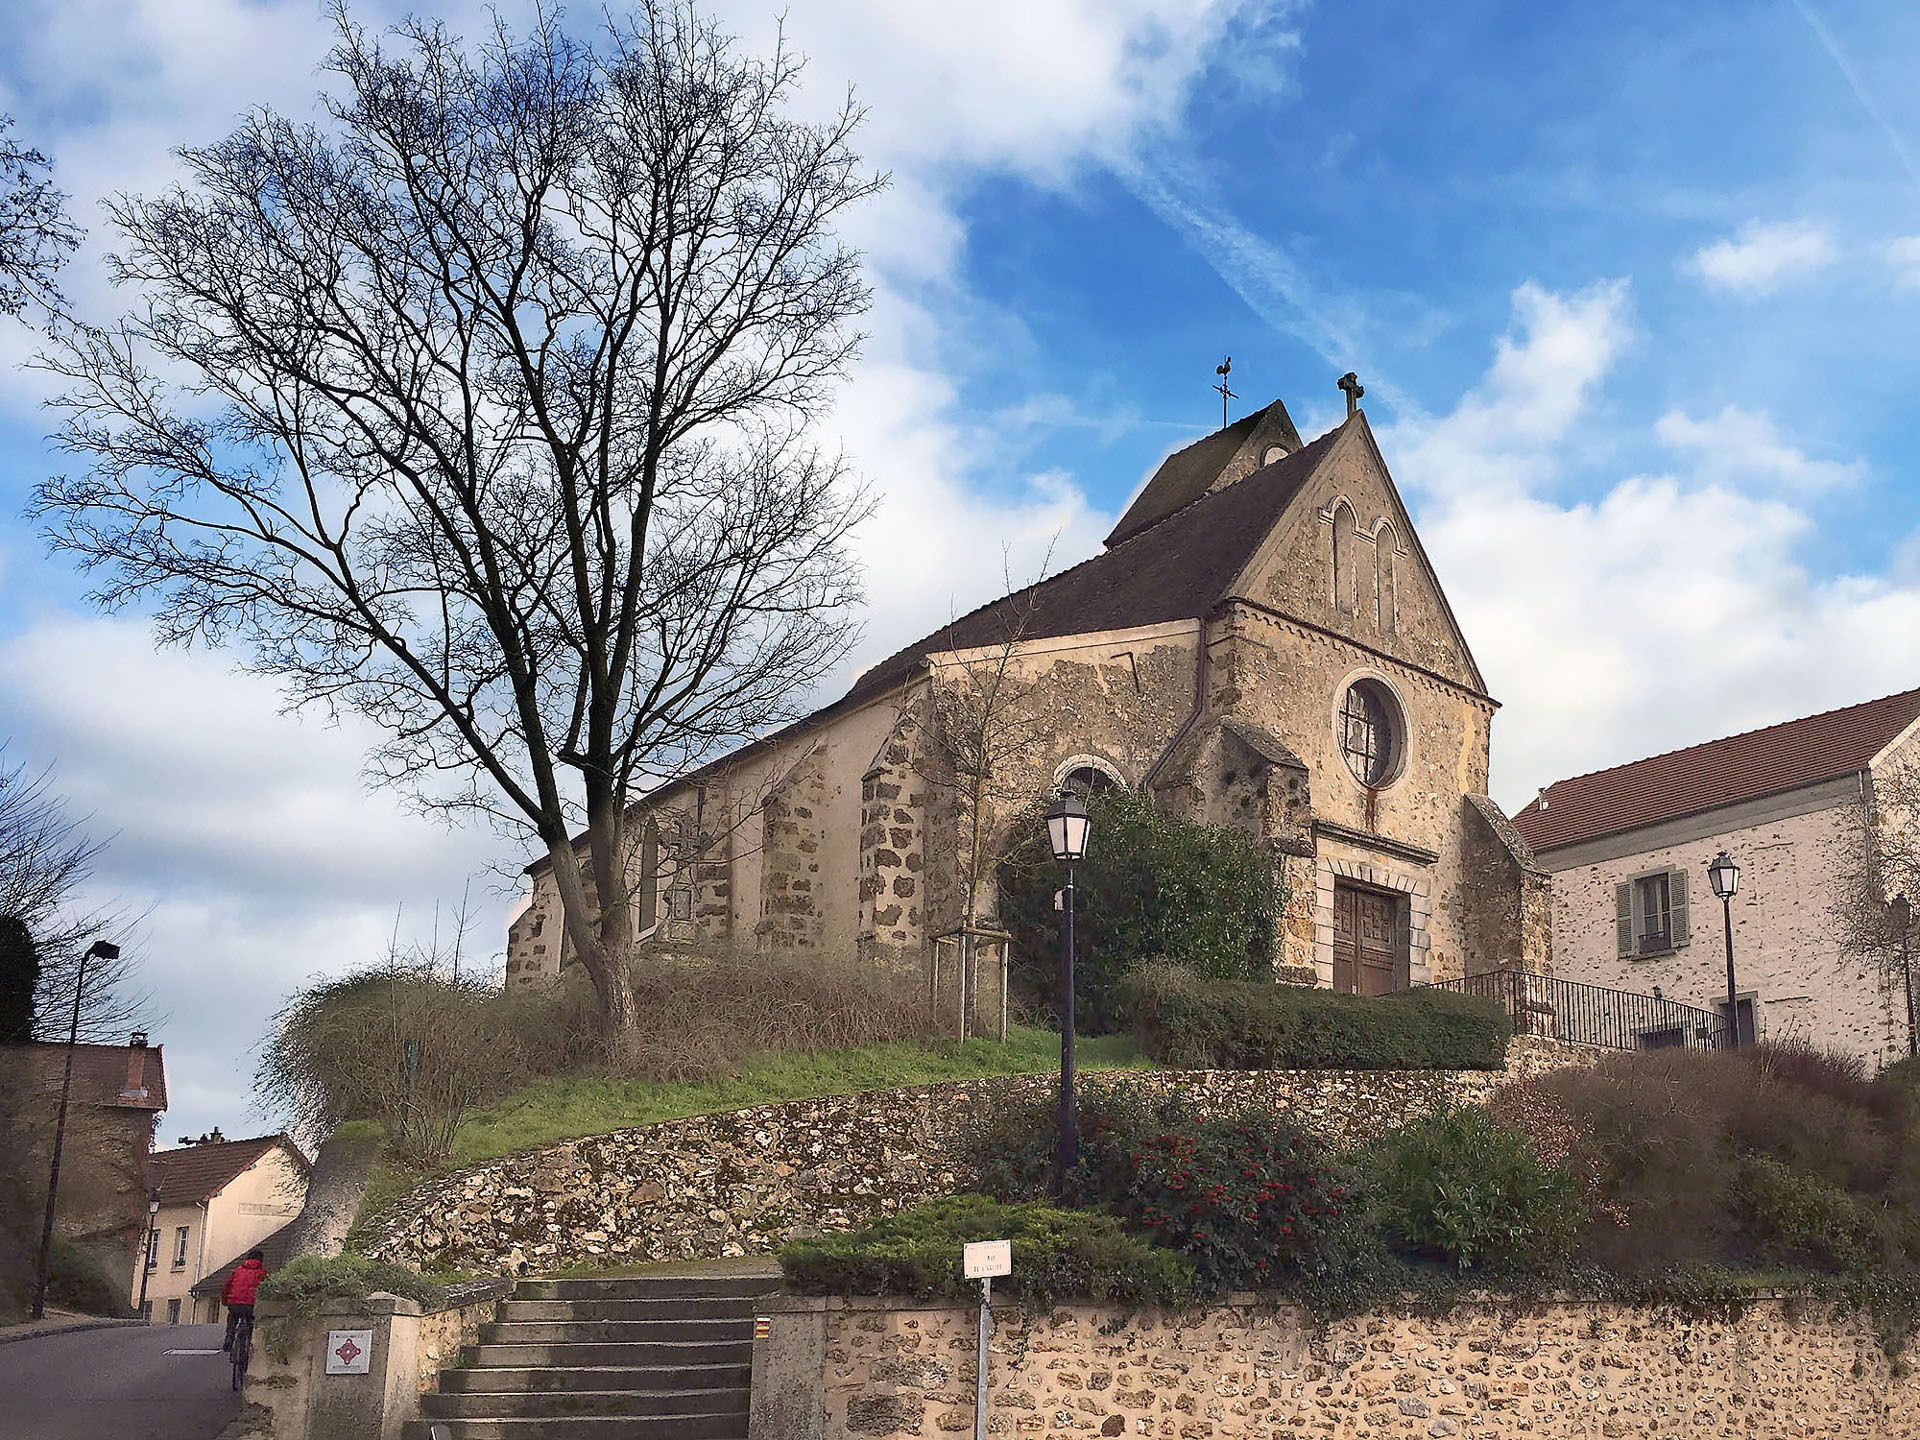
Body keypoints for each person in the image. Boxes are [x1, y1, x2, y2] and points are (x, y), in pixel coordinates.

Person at [221, 1250, 267, 1352]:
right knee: (251, 1322)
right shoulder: (263, 1273)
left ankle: (229, 1338)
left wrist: (225, 1301)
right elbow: (266, 1291)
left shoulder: (237, 1271)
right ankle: (249, 1341)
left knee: (233, 1317)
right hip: (251, 1305)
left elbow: (226, 1286)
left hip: (234, 1303)